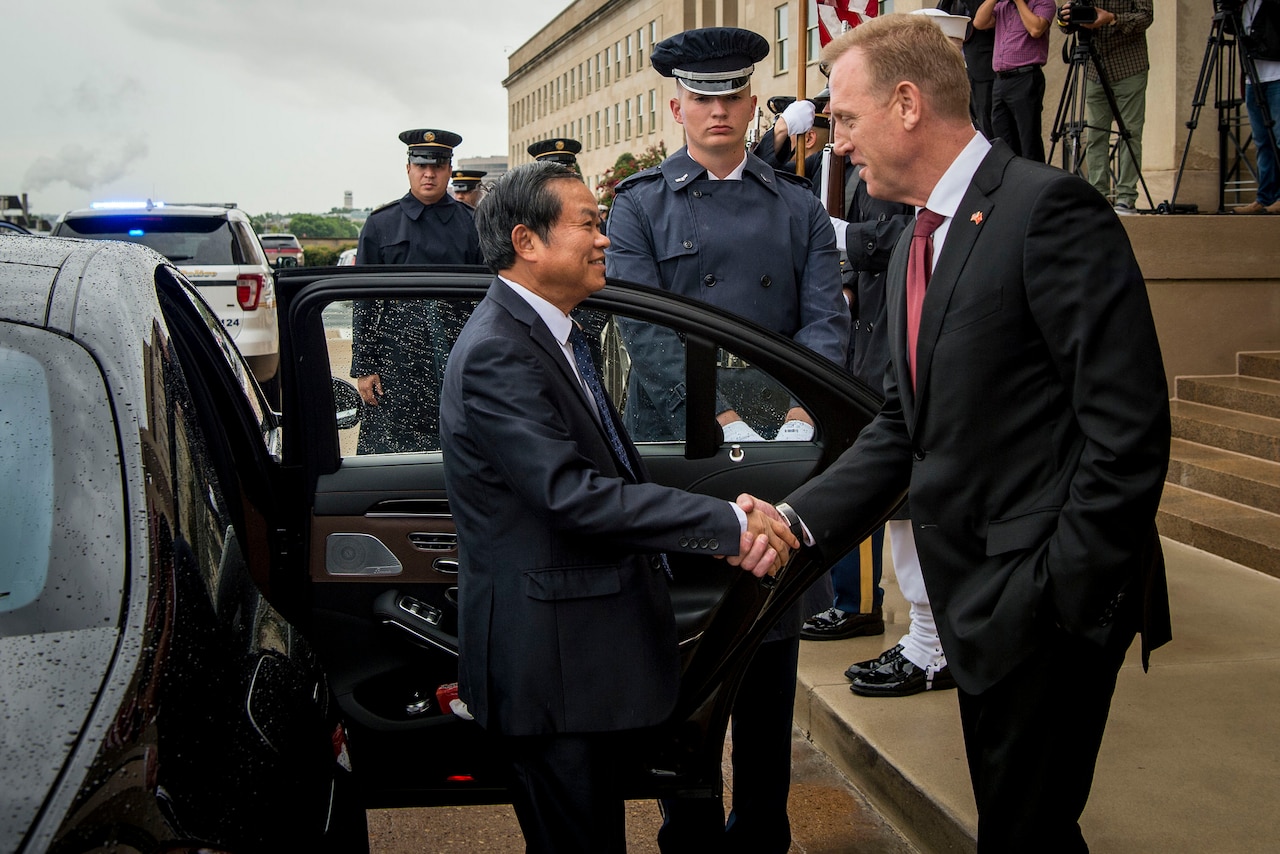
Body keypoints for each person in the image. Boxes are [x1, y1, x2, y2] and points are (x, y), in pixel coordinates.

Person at [759, 13, 1172, 848]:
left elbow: (1127, 431)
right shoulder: (922, 232)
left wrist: (1057, 594)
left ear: (907, 104)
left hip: (1041, 607)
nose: (835, 143)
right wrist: (798, 521)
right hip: (978, 605)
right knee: (1023, 826)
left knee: (1024, 827)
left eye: (843, 118)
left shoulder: (1047, 211)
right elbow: (905, 425)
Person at [439, 160, 796, 854]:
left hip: (577, 663)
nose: (603, 240)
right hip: (552, 670)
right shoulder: (499, 353)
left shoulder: (551, 334)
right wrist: (724, 525)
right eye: (587, 225)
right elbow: (570, 495)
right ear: (528, 241)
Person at [605, 27, 848, 853]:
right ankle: (693, 829)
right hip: (682, 459)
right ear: (678, 107)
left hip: (780, 454)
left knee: (770, 658)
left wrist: (786, 425)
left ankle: (764, 832)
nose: (717, 110)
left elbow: (825, 327)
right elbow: (647, 337)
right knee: (687, 658)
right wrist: (733, 412)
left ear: (752, 105)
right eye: (701, 98)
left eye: (731, 96)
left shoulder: (799, 206)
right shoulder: (638, 205)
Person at [351, 128, 482, 454]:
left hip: (457, 353)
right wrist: (365, 367)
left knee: (462, 445)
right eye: (421, 165)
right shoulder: (381, 224)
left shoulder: (473, 224)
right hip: (397, 361)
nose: (429, 174)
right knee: (393, 458)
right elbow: (365, 302)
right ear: (408, 167)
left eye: (438, 166)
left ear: (449, 170)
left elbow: (487, 300)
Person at [1057, 0, 1153, 215]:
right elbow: (1066, 25)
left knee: (1130, 132)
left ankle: (1126, 196)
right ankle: (1098, 195)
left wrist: (1111, 18)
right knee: (1095, 135)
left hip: (1129, 64)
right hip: (1093, 65)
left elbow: (1146, 16)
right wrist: (1063, 17)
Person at [974, 0, 1056, 162]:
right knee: (1003, 141)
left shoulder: (1043, 3)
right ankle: (1011, 183)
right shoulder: (1003, 5)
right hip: (1000, 81)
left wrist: (1019, 2)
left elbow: (1035, 29)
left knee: (1028, 141)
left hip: (1025, 77)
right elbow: (979, 22)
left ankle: (1033, 184)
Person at [1234, 0, 1280, 214]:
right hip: (1253, 78)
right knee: (1262, 141)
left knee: (1279, 137)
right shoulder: (1242, 4)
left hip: (1277, 73)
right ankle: (1265, 197)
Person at [937, 0, 998, 139]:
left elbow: (980, 20)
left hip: (984, 68)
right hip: (960, 68)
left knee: (986, 123)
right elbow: (941, 18)